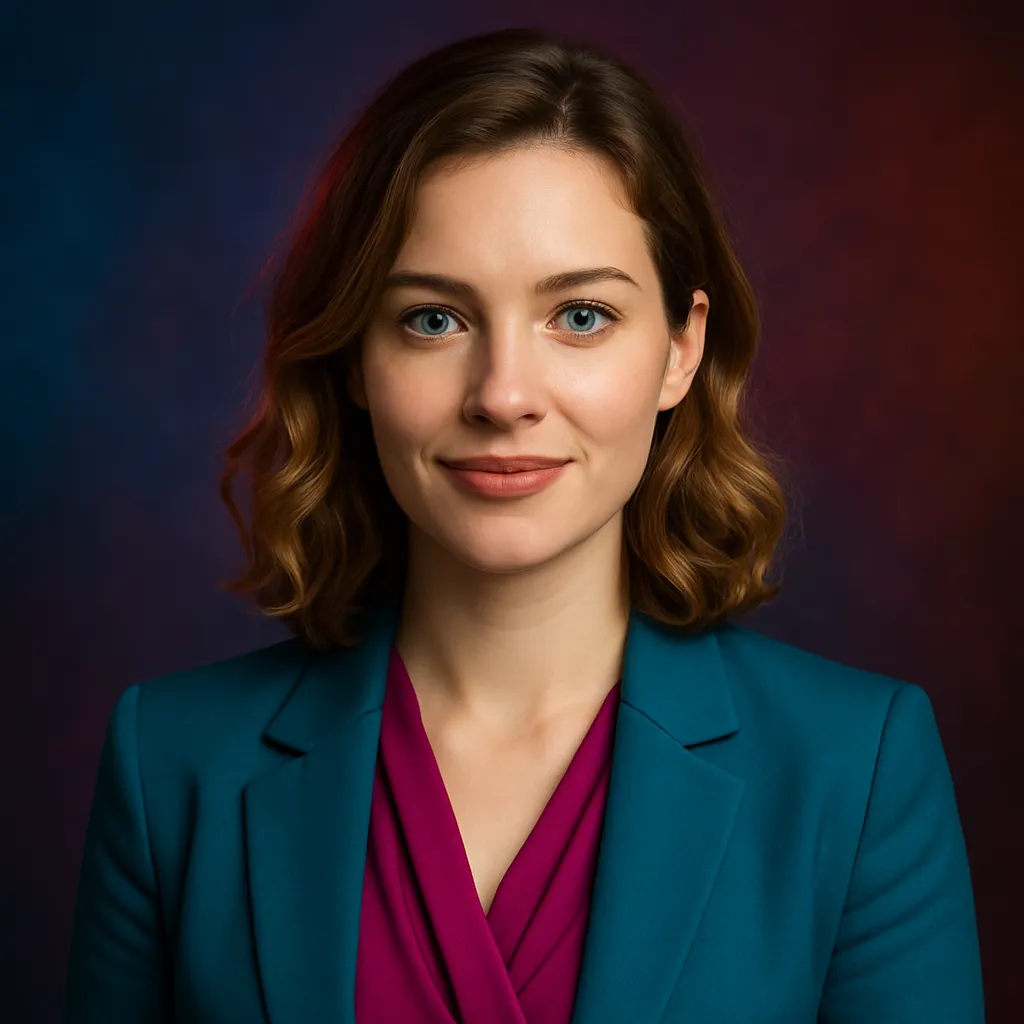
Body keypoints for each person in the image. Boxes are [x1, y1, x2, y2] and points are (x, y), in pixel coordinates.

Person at [62, 26, 985, 1024]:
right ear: (355, 358)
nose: (503, 395)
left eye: (580, 315)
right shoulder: (171, 766)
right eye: (433, 319)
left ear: (681, 348)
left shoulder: (856, 769)